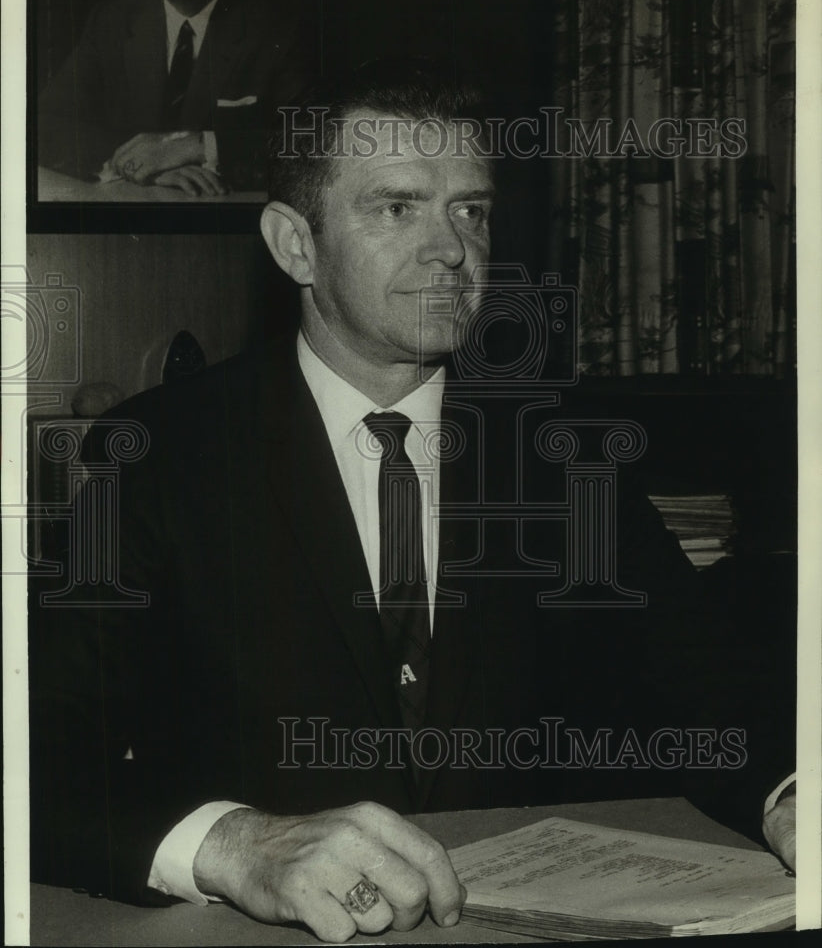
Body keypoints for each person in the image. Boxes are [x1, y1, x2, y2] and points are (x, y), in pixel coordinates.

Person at [29, 58, 796, 942]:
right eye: (397, 208)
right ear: (296, 245)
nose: (451, 248)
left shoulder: (559, 452)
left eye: (469, 209)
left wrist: (789, 791)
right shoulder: (156, 455)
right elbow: (37, 744)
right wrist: (235, 847)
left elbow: (708, 683)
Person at [36, 0, 315, 195]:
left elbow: (312, 141)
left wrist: (199, 147)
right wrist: (145, 165)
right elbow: (42, 124)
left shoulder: (278, 28)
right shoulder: (111, 20)